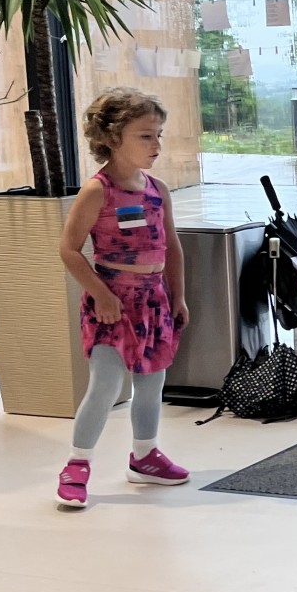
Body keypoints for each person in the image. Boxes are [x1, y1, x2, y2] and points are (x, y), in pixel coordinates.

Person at [55, 88, 190, 510]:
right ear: (112, 138)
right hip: (112, 304)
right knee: (106, 385)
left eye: (158, 135)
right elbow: (69, 250)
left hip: (154, 301)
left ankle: (145, 455)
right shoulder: (99, 191)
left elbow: (171, 246)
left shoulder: (157, 189)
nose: (156, 145)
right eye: (145, 136)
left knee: (152, 383)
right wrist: (101, 294)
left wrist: (179, 296)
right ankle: (77, 464)